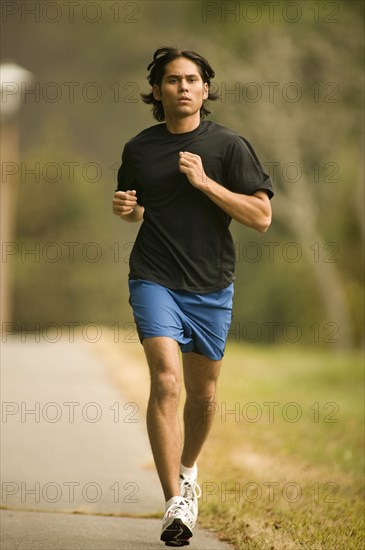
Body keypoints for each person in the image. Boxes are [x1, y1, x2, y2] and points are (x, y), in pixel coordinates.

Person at [112, 46, 273, 546]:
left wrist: (205, 183)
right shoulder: (139, 149)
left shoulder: (229, 146)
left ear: (205, 89)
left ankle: (188, 470)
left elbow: (261, 217)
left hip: (210, 284)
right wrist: (126, 210)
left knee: (202, 397)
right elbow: (139, 209)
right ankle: (174, 503)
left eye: (191, 79)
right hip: (153, 275)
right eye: (172, 80)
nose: (182, 87)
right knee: (166, 380)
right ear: (158, 92)